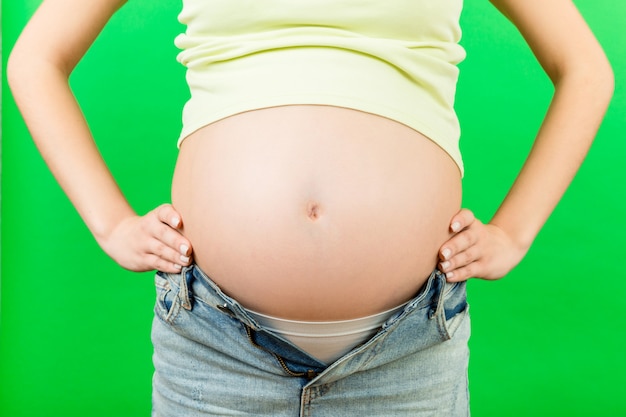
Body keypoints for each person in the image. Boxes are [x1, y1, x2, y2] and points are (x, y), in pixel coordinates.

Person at [8, 0, 613, 415]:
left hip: (407, 349)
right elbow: (34, 59)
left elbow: (586, 67)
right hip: (216, 344)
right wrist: (109, 222)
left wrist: (516, 232)